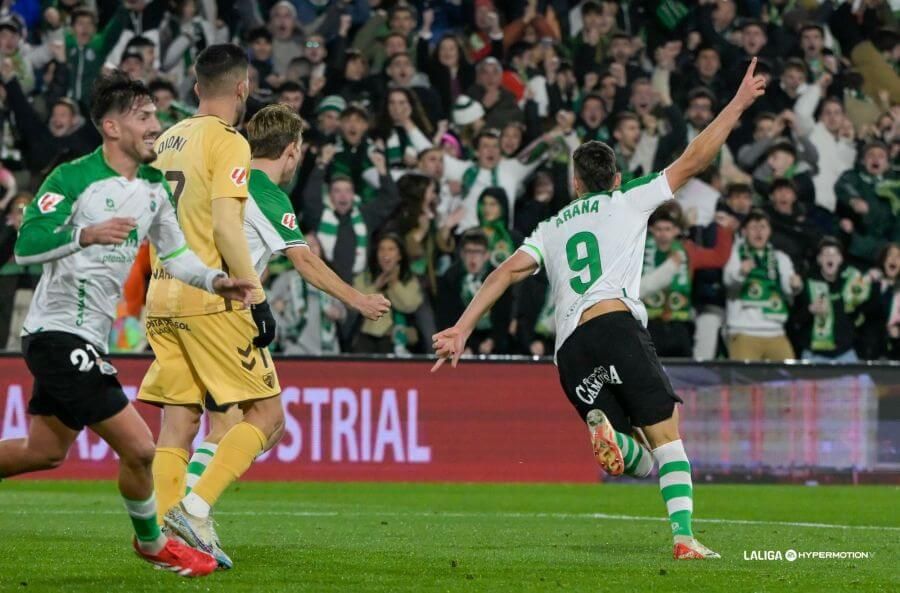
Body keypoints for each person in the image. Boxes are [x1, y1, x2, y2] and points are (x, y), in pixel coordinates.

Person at [432, 57, 768, 560]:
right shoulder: (627, 199)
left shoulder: (550, 227)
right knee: (668, 440)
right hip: (614, 324)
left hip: (568, 352)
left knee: (639, 462)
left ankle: (609, 431)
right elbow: (695, 158)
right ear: (614, 177)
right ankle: (683, 539)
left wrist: (461, 327)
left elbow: (502, 272)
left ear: (575, 185)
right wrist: (738, 103)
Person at [0, 71, 261, 577]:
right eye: (144, 117)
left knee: (45, 451)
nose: (155, 126)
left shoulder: (155, 189)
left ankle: (151, 540)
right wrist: (86, 234)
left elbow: (178, 255)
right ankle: (152, 543)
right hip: (57, 334)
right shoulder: (73, 178)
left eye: (156, 116)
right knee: (142, 449)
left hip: (87, 337)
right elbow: (25, 245)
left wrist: (215, 280)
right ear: (112, 127)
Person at [180, 103, 390, 503]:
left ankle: (181, 513)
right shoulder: (264, 192)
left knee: (222, 422)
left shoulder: (224, 178)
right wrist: (357, 299)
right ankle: (193, 508)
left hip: (187, 301)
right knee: (270, 421)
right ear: (292, 149)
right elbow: (305, 260)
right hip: (225, 313)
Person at [135, 44, 279, 569]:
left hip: (161, 295)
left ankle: (166, 540)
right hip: (211, 296)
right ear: (242, 88)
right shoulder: (230, 143)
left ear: (197, 88)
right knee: (268, 414)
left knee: (179, 420)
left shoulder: (165, 139)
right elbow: (225, 226)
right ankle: (194, 510)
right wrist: (256, 295)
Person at [723, 209, 802, 361]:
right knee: (743, 384)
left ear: (769, 231)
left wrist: (795, 285)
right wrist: (741, 272)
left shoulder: (780, 258)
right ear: (744, 231)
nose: (758, 232)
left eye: (763, 227)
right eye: (753, 227)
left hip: (776, 331)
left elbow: (789, 288)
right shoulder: (735, 253)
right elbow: (728, 281)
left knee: (787, 381)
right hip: (744, 331)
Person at [792, 238, 870, 362]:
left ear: (840, 259)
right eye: (826, 254)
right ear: (819, 260)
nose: (830, 257)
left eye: (834, 254)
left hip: (845, 353)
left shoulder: (851, 283)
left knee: (866, 381)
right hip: (814, 355)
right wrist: (810, 310)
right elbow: (795, 320)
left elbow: (862, 314)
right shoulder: (807, 283)